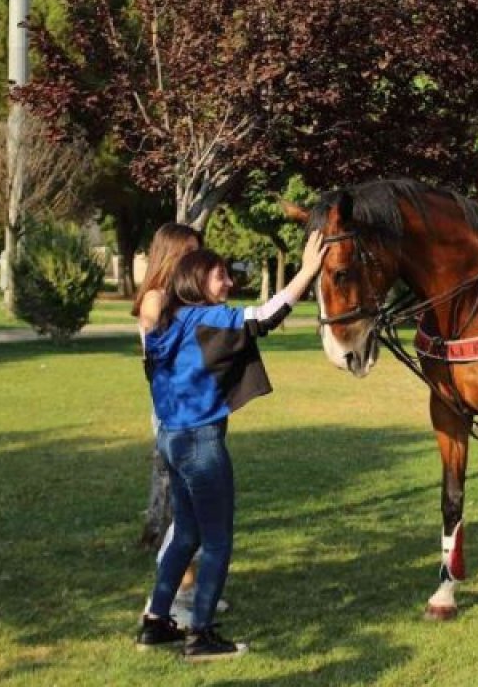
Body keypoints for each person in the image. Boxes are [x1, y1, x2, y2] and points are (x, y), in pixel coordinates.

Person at [136, 231, 325, 661]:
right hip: (200, 445)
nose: (228, 285)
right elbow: (264, 316)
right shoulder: (207, 319)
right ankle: (199, 634)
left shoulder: (174, 320)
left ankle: (156, 622)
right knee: (218, 540)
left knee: (186, 531)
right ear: (200, 282)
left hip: (172, 440)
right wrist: (308, 272)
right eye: (221, 277)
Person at [132, 224, 210, 621]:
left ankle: (190, 590)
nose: (194, 261)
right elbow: (156, 338)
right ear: (169, 256)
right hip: (176, 418)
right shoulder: (157, 300)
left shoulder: (179, 301)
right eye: (188, 253)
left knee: (192, 511)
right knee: (185, 514)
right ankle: (170, 600)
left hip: (190, 414)